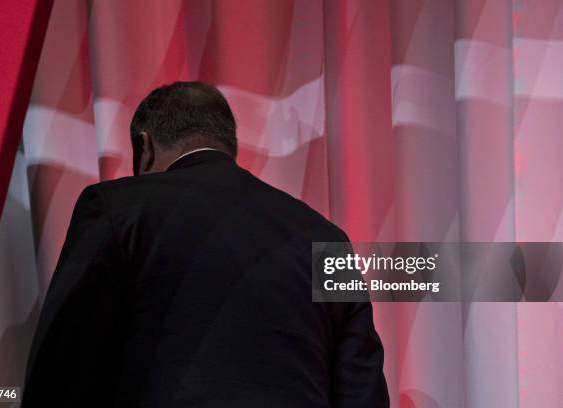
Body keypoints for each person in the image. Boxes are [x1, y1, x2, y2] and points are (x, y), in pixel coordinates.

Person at [22, 81, 389, 407]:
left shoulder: (117, 208)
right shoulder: (325, 237)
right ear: (229, 143)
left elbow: (64, 366)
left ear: (145, 147)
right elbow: (362, 388)